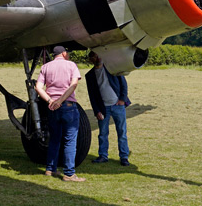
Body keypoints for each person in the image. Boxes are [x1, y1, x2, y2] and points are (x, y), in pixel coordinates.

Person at [35, 45, 85, 182]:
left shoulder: (45, 67)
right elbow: (74, 85)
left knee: (55, 139)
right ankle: (69, 173)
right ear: (63, 53)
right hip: (68, 106)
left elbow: (38, 87)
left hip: (52, 108)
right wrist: (61, 100)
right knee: (69, 140)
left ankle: (50, 169)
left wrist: (51, 100)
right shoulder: (71, 65)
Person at [86, 51, 131, 167]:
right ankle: (103, 156)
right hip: (103, 108)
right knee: (103, 133)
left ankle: (124, 157)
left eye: (98, 55)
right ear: (91, 59)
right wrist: (96, 111)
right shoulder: (89, 76)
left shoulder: (112, 68)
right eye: (94, 56)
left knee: (122, 132)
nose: (98, 57)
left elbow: (123, 84)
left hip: (117, 106)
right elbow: (92, 96)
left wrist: (122, 99)